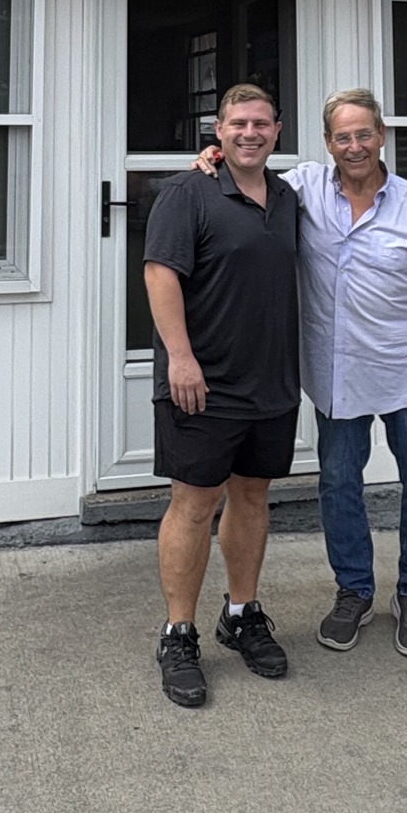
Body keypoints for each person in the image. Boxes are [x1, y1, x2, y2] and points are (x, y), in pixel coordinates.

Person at [197, 89, 407, 658]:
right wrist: (211, 157)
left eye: (365, 134)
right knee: (339, 484)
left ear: (382, 136)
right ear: (327, 142)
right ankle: (354, 592)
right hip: (335, 370)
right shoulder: (305, 188)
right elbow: (248, 163)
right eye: (343, 136)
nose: (355, 146)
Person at [142, 83, 303, 709]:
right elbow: (160, 274)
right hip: (201, 382)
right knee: (193, 502)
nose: (250, 133)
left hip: (270, 381)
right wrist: (180, 357)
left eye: (261, 123)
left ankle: (241, 613)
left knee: (253, 495)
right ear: (218, 128)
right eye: (238, 123)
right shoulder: (189, 192)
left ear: (277, 131)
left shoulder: (289, 196)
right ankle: (178, 634)